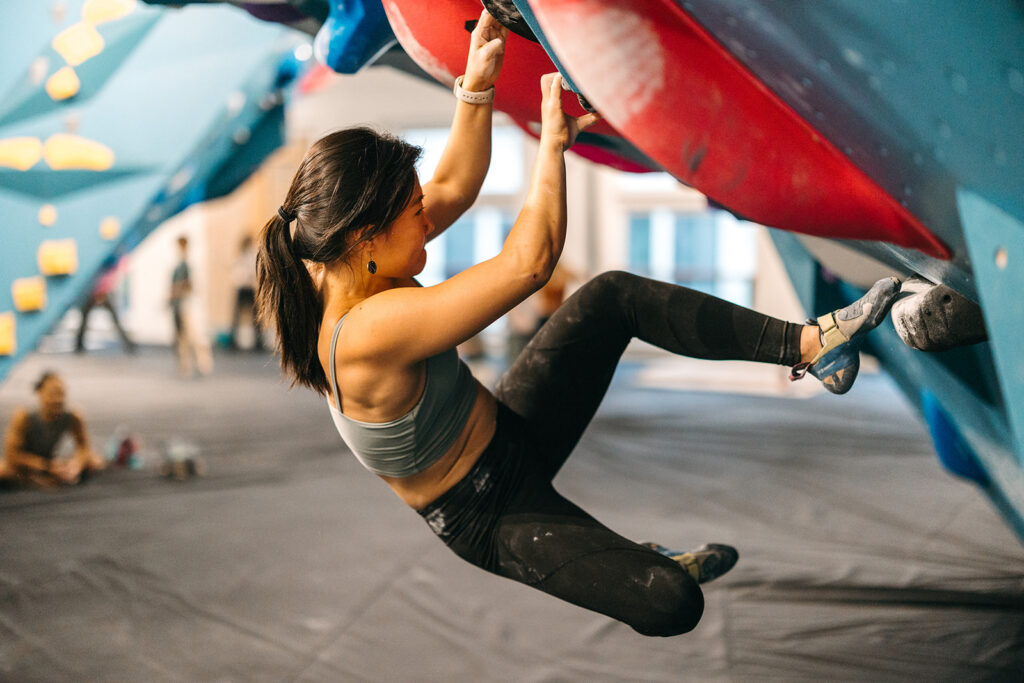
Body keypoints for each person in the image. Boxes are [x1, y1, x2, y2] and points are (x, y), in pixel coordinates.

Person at [256, 10, 901, 637]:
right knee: (671, 603)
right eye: (416, 214)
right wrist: (552, 143)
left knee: (611, 296)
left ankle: (812, 344)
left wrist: (478, 80)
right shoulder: (364, 331)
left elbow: (454, 181)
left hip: (513, 429)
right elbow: (527, 264)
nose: (430, 220)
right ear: (367, 237)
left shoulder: (349, 260)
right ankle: (645, 564)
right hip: (488, 511)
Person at [0, 371, 106, 487]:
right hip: (27, 465)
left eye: (61, 394)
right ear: (40, 393)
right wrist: (45, 466)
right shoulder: (23, 417)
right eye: (52, 394)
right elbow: (12, 456)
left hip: (50, 462)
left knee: (95, 461)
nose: (57, 400)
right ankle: (37, 479)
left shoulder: (72, 416)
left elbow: (84, 447)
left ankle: (46, 479)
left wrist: (75, 465)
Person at [76, 250, 136, 354]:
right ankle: (78, 346)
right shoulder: (109, 264)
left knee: (86, 320)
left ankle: (78, 346)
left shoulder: (106, 265)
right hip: (98, 292)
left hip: (101, 292)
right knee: (86, 321)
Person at [170, 235, 213, 377]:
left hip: (188, 303)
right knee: (181, 336)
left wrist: (177, 290)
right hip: (179, 303)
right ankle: (186, 365)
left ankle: (203, 364)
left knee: (194, 335)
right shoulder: (179, 265)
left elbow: (190, 285)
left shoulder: (188, 265)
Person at [228, 234, 264, 351]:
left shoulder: (252, 255)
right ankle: (234, 341)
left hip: (250, 288)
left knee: (256, 316)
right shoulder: (239, 256)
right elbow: (236, 273)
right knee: (237, 317)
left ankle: (258, 341)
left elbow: (255, 271)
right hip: (242, 288)